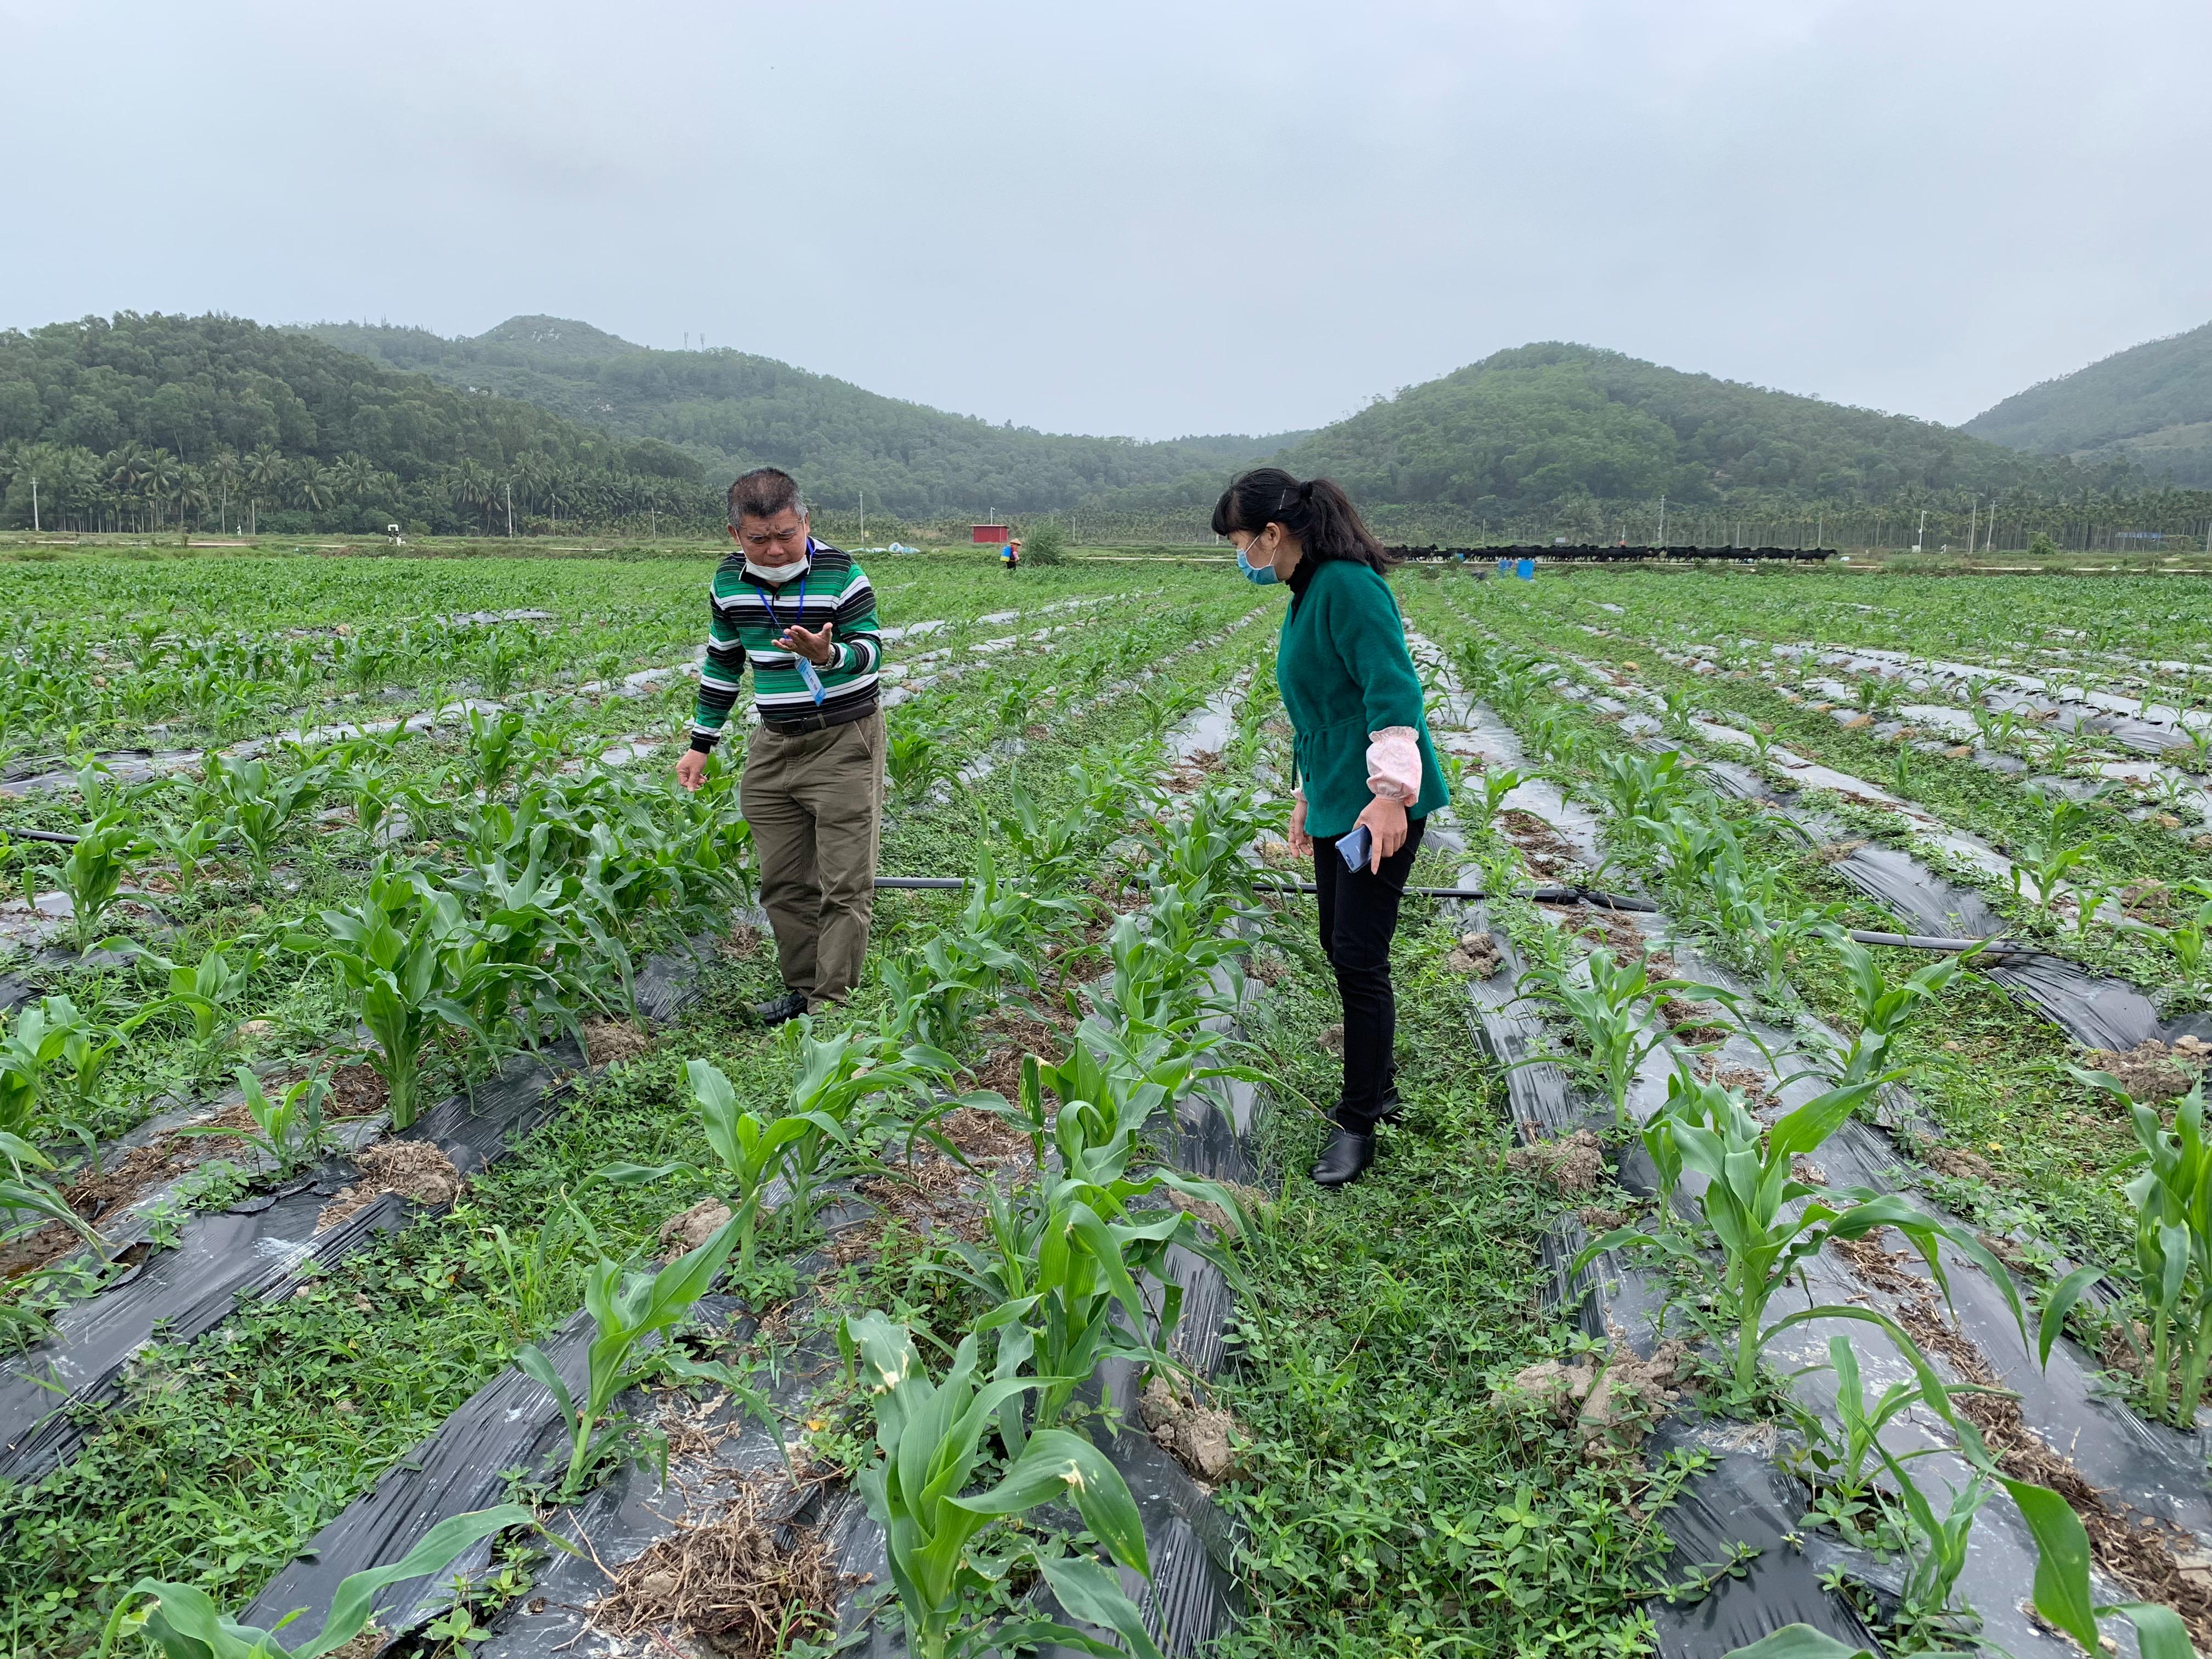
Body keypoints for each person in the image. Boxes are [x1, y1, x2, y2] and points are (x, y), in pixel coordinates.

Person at [1215, 468, 1448, 1189]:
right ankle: (1376, 1089)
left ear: (1273, 535)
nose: (1240, 557)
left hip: (1377, 804)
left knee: (1358, 955)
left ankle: (1359, 1122)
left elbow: (1391, 686)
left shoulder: (1347, 586)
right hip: (1337, 797)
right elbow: (1324, 706)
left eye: (1239, 543)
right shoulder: (1306, 594)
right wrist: (1304, 794)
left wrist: (1389, 796)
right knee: (1337, 944)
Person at [676, 467, 886, 1024]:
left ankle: (830, 1006)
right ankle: (802, 988)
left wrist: (828, 655)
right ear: (734, 535)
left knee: (845, 882)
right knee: (783, 881)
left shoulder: (841, 572)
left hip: (845, 739)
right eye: (759, 539)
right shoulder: (727, 583)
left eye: (786, 535)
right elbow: (724, 660)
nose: (774, 550)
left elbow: (871, 648)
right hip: (774, 744)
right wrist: (702, 742)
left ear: (806, 522)